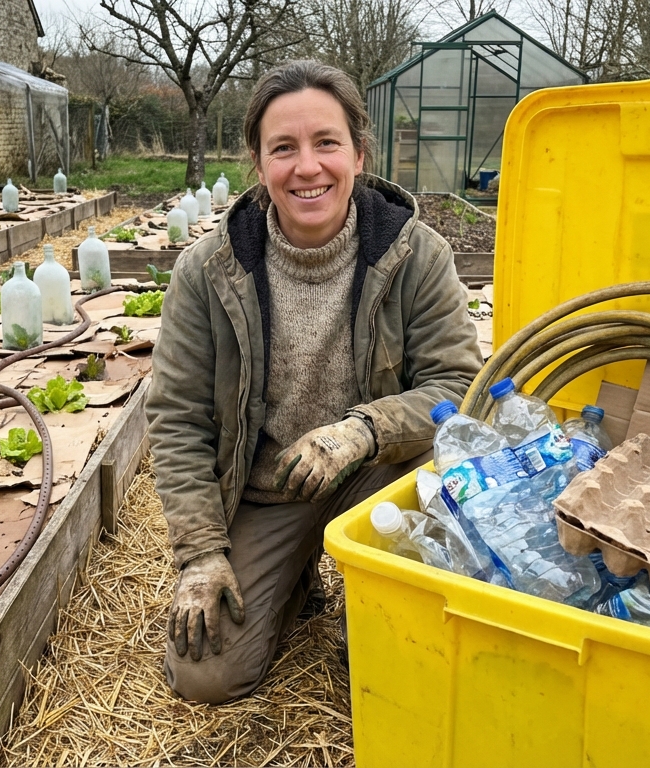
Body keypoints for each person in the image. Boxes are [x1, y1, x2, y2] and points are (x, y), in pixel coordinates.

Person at [145, 60, 483, 705]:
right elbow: (178, 418)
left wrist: (362, 431)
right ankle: (295, 570)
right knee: (205, 676)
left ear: (358, 154)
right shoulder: (207, 272)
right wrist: (201, 553)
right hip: (268, 492)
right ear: (258, 163)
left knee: (395, 649)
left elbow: (456, 384)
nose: (307, 167)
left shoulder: (417, 256)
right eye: (283, 148)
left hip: (377, 476)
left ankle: (370, 590)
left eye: (326, 142)